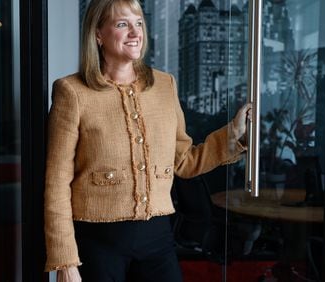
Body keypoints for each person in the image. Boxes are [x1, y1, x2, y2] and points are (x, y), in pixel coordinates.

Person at [44, 0, 251, 281]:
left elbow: (183, 162)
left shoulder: (165, 85)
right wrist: (65, 262)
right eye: (122, 24)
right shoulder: (71, 92)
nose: (135, 32)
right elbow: (56, 183)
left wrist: (233, 136)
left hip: (157, 240)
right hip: (96, 244)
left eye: (139, 23)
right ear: (98, 34)